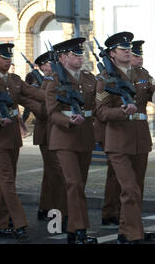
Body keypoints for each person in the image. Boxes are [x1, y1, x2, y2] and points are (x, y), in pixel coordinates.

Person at [96, 33, 155, 244]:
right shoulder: (105, 79)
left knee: (136, 189)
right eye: (122, 49)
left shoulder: (141, 73)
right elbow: (101, 112)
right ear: (112, 54)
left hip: (140, 139)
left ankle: (126, 230)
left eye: (128, 48)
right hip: (118, 141)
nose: (127, 51)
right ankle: (134, 234)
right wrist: (121, 111)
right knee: (129, 188)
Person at [0, 43, 45, 242]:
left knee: (2, 179)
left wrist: (55, 97)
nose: (8, 60)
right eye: (4, 57)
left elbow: (34, 96)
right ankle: (19, 223)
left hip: (13, 137)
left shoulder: (15, 80)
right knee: (7, 179)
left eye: (9, 57)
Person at [45, 37, 98, 244]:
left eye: (80, 54)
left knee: (79, 184)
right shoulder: (54, 80)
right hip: (64, 138)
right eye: (75, 55)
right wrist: (69, 120)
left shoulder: (88, 78)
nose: (80, 57)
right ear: (63, 57)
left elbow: (96, 103)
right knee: (74, 183)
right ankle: (80, 230)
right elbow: (52, 112)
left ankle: (71, 230)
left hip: (84, 136)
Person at [32, 52, 68, 224]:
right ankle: (57, 211)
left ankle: (45, 207)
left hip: (52, 132)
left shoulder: (52, 81)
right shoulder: (45, 84)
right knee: (56, 174)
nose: (50, 66)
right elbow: (41, 111)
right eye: (46, 64)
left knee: (50, 174)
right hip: (46, 134)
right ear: (41, 67)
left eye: (50, 63)